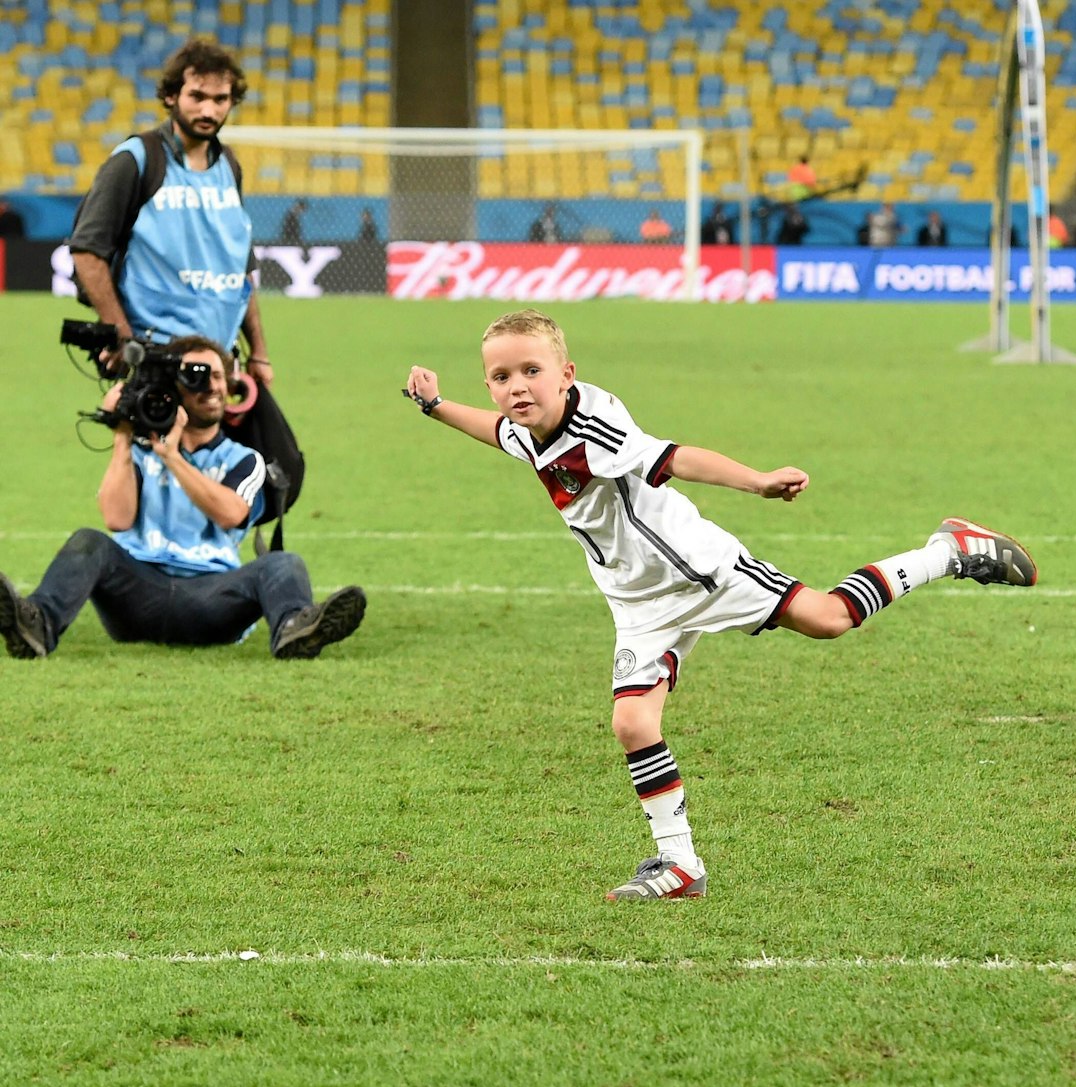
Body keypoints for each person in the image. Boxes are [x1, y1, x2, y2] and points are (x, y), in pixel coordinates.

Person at [398, 310, 1038, 900]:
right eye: (501, 376)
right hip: (638, 602)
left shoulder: (597, 426)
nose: (517, 387)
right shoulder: (526, 427)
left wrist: (756, 480)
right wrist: (433, 406)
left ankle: (948, 552)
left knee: (827, 619)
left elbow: (677, 458)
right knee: (633, 724)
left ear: (567, 374)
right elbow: (498, 433)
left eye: (531, 371)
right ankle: (679, 865)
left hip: (698, 570)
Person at [0, 337, 364, 661]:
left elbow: (231, 514)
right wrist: (123, 438)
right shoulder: (140, 453)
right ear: (175, 388)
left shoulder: (244, 459)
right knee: (88, 541)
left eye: (219, 376)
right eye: (198, 375)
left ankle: (293, 631)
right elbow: (116, 518)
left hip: (212, 601)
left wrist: (172, 457)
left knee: (283, 563)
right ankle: (35, 625)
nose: (213, 386)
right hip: (135, 597)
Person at [69, 38, 274, 384]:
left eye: (220, 99)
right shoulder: (136, 160)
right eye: (197, 96)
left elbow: (240, 268)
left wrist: (259, 351)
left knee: (272, 441)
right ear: (171, 97)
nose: (209, 111)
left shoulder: (228, 165)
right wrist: (121, 336)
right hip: (155, 356)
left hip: (220, 360)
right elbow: (88, 251)